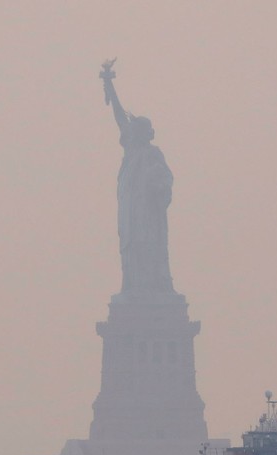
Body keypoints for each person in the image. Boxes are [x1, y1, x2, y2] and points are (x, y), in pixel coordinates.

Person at [100, 59, 175, 294]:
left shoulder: (153, 154)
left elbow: (165, 180)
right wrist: (110, 87)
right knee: (131, 249)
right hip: (130, 212)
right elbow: (120, 117)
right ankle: (132, 286)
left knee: (149, 247)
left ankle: (155, 286)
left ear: (146, 134)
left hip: (148, 214)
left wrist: (157, 186)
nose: (131, 133)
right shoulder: (132, 151)